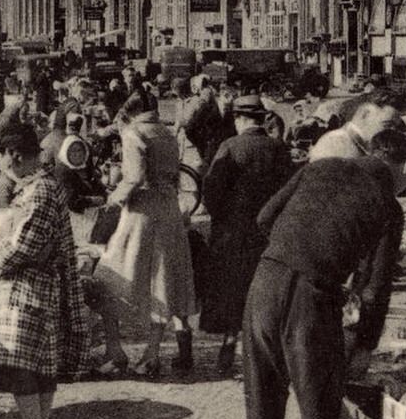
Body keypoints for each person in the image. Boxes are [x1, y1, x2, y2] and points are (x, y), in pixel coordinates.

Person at [242, 129, 406, 419]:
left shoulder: (321, 168)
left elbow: (265, 217)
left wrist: (303, 246)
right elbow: (376, 288)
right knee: (319, 415)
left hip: (264, 282)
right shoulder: (389, 207)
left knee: (263, 403)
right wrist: (364, 347)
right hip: (309, 301)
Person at [0, 121, 91, 419]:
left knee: (24, 369)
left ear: (15, 155)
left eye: (4, 160)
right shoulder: (38, 188)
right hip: (35, 288)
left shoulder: (39, 190)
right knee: (39, 367)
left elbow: (25, 246)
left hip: (29, 290)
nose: (3, 168)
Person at [101, 92, 198, 375]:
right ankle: (152, 354)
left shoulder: (133, 133)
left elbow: (134, 177)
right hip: (169, 212)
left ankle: (115, 351)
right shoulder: (166, 132)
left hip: (141, 215)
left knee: (107, 281)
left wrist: (114, 198)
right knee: (163, 282)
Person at [201, 97, 293, 373]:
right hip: (268, 234)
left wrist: (221, 219)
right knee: (265, 292)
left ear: (239, 119)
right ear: (261, 119)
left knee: (233, 291)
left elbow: (211, 192)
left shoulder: (229, 147)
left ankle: (229, 345)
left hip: (234, 233)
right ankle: (269, 353)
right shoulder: (279, 149)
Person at [308, 88, 406, 161]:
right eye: (387, 125)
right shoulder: (338, 145)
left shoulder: (359, 144)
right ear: (364, 114)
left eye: (395, 127)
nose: (392, 132)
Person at [178, 75, 224, 169]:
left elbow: (202, 106)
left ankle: (205, 160)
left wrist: (190, 121)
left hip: (210, 126)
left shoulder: (205, 92)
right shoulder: (209, 91)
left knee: (193, 133)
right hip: (211, 125)